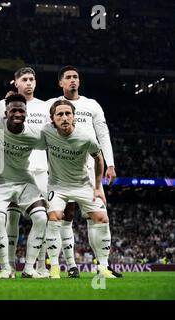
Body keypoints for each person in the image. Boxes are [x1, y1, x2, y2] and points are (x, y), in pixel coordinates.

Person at [46, 65, 120, 278]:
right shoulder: (52, 105)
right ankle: (70, 266)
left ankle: (102, 266)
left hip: (90, 166)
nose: (73, 80)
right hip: (62, 166)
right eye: (68, 77)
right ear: (61, 82)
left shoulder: (91, 104)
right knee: (65, 215)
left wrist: (111, 164)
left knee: (96, 215)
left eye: (76, 77)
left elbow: (103, 134)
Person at [0, 67, 51, 277]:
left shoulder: (38, 124)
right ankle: (6, 267)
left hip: (31, 176)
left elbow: (56, 143)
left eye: (32, 79)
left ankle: (32, 267)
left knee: (43, 218)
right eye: (13, 111)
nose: (18, 114)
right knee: (3, 220)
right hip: (2, 178)